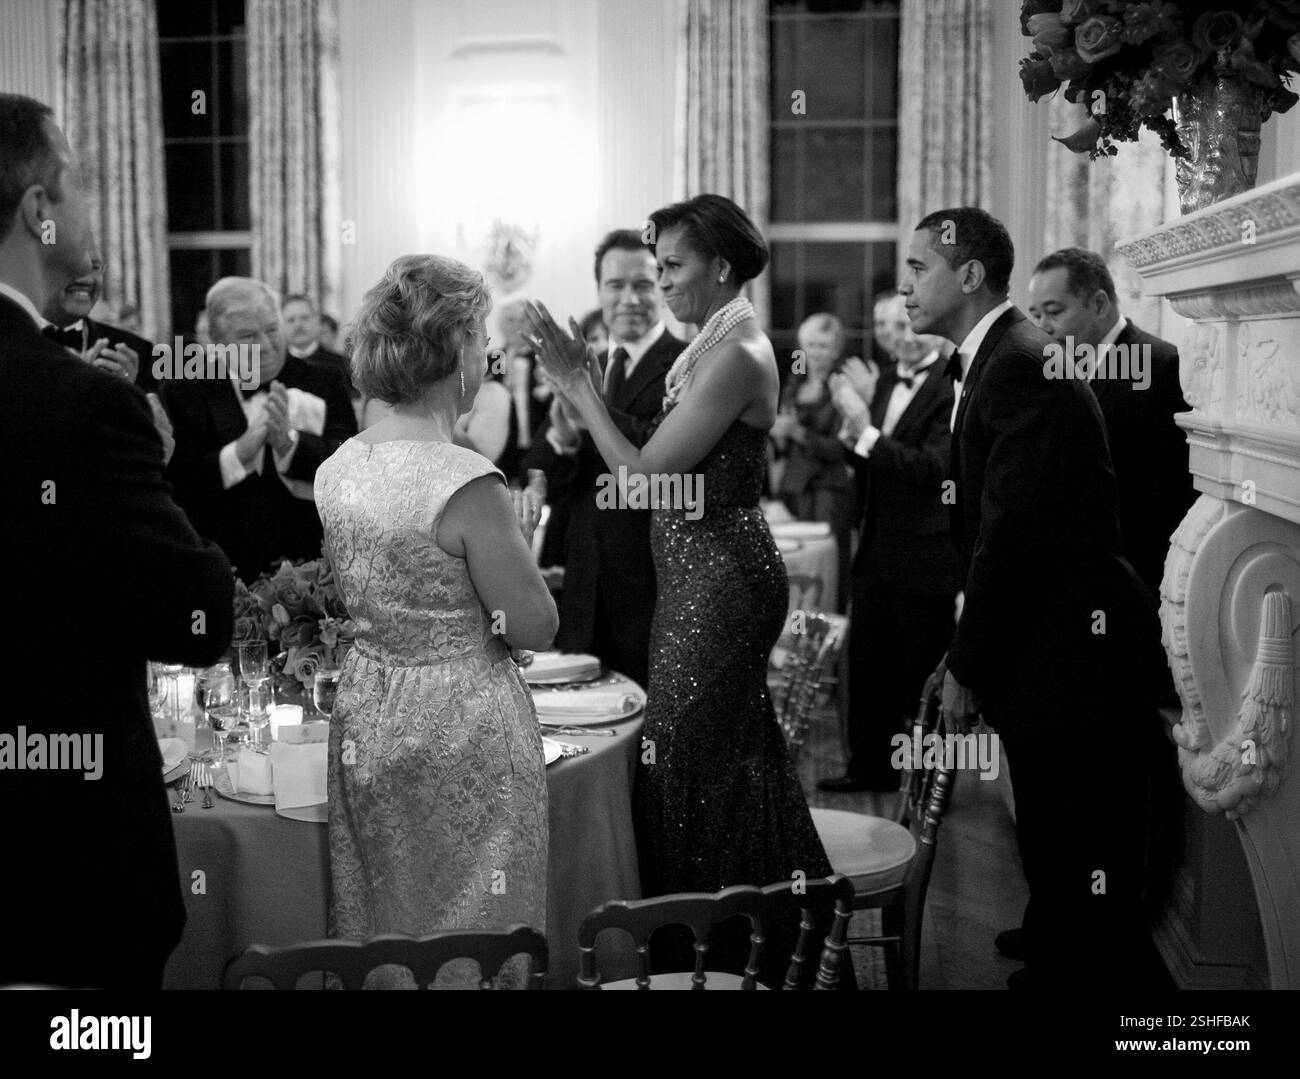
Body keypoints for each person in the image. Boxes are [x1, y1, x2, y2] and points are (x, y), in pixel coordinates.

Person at [526, 195, 833, 945]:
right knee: (720, 767)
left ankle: (713, 946)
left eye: (671, 265)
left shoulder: (737, 353)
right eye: (653, 266)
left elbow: (642, 480)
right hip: (697, 579)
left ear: (720, 266)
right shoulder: (717, 345)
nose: (658, 282)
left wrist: (577, 388)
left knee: (687, 772)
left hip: (722, 582)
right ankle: (753, 941)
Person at [0, 93, 233, 989]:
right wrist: (154, 469)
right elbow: (198, 613)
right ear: (38, 211)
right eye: (82, 184)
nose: (93, 208)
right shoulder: (83, 402)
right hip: (67, 860)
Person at [903, 206, 1164, 990]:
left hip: (1067, 646)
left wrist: (965, 660)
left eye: (918, 269)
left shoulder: (1018, 360)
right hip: (1048, 636)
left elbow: (1011, 531)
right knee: (1056, 818)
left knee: (1071, 823)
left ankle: (1072, 970)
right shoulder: (1002, 355)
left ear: (969, 274)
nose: (905, 286)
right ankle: (1056, 932)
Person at [315, 254, 555, 988]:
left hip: (367, 714)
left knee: (386, 916)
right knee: (474, 931)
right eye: (481, 336)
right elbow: (536, 625)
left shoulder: (339, 468)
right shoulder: (464, 478)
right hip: (462, 722)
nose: (487, 353)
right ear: (455, 351)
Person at [521, 230, 685, 687]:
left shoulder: (687, 364)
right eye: (616, 286)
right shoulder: (587, 362)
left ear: (663, 289)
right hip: (584, 580)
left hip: (652, 581)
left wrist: (590, 405)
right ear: (599, 291)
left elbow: (660, 467)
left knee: (647, 725)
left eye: (643, 285)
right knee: (581, 714)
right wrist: (563, 433)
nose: (629, 299)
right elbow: (536, 468)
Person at [818, 293, 961, 792]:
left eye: (906, 324)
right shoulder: (883, 380)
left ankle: (927, 781)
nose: (898, 335)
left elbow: (933, 470)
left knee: (922, 676)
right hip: (876, 547)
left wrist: (866, 430)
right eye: (889, 326)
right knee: (869, 668)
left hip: (925, 557)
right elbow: (868, 459)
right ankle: (869, 769)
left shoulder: (951, 383)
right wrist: (852, 436)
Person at [163, 277, 357, 582]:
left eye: (271, 330)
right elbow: (180, 487)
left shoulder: (324, 379)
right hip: (224, 570)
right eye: (248, 337)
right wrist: (239, 452)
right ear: (216, 345)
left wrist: (290, 444)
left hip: (312, 569)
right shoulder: (184, 394)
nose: (266, 347)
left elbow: (349, 467)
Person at [1026, 248, 1194, 597]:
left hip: (1136, 581)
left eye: (1053, 312)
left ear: (1099, 304)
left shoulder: (1160, 365)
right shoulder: (1053, 368)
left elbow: (1175, 492)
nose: (1041, 328)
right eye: (1035, 315)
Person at [770, 311, 855, 608]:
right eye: (810, 345)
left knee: (829, 576)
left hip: (827, 494)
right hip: (793, 492)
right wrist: (779, 437)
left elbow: (842, 450)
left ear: (835, 349)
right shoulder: (794, 385)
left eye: (822, 346)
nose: (815, 353)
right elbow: (783, 446)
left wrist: (797, 432)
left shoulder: (844, 387)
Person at [40, 237, 159, 392]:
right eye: (74, 267)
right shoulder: (9, 343)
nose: (88, 279)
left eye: (95, 267)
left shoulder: (138, 351)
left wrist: (125, 395)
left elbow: (154, 415)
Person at [282, 292, 354, 398]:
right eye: (291, 320)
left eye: (304, 318)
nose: (298, 325)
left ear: (317, 321)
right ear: (281, 325)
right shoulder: (275, 367)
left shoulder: (341, 364)